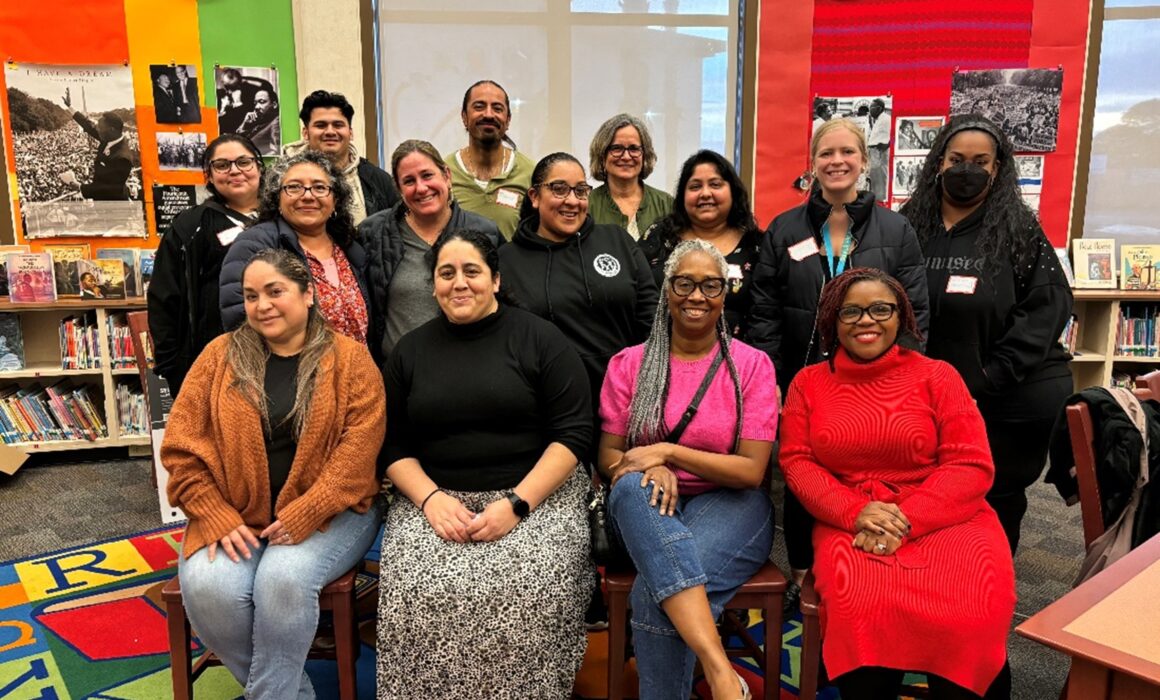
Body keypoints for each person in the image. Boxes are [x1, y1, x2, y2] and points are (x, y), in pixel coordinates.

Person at [779, 267, 1014, 700]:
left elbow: (971, 464)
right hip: (850, 517)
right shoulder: (807, 383)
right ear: (832, 319)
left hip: (947, 515)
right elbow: (797, 462)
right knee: (859, 605)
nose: (866, 320)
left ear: (901, 316)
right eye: (851, 311)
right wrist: (854, 513)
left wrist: (904, 520)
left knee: (975, 607)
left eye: (880, 309)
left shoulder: (939, 376)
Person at [377, 229, 593, 697]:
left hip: (537, 496)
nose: (459, 283)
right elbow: (392, 447)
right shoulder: (409, 352)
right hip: (432, 500)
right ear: (432, 284)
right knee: (417, 590)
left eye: (471, 271)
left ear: (495, 279)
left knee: (527, 588)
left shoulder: (541, 339)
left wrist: (517, 504)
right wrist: (431, 500)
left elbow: (573, 435)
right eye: (446, 273)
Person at [162, 249, 384, 700]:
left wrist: (309, 510)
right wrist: (214, 513)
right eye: (250, 295)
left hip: (335, 515)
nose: (261, 305)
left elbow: (359, 455)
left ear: (307, 295)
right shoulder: (217, 357)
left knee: (281, 582)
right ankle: (289, 694)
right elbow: (182, 450)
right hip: (236, 514)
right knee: (208, 589)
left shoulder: (351, 360)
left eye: (274, 291)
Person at [748, 117, 929, 612]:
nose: (837, 162)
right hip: (805, 382)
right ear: (813, 164)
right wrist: (773, 381)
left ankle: (875, 571)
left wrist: (903, 384)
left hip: (876, 383)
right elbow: (763, 311)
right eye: (826, 153)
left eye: (847, 152)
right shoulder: (784, 228)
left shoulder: (896, 228)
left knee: (866, 474)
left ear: (863, 161)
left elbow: (913, 312)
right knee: (806, 477)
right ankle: (806, 579)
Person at [599, 240, 777, 700]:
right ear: (667, 289)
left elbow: (751, 471)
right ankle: (721, 673)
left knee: (653, 594)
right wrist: (647, 465)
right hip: (645, 509)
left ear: (725, 293)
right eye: (684, 283)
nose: (696, 295)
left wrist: (668, 453)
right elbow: (611, 458)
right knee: (633, 488)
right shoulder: (630, 364)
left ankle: (712, 675)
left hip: (734, 504)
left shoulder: (752, 366)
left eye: (710, 285)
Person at [900, 114, 1073, 553]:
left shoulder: (1018, 230)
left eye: (981, 161)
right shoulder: (909, 226)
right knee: (927, 497)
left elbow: (1047, 309)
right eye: (957, 159)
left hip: (1007, 398)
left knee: (992, 503)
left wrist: (990, 377)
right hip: (931, 396)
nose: (967, 169)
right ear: (939, 162)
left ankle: (989, 596)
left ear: (997, 168)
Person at [500, 152, 658, 440]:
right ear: (534, 196)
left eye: (580, 190)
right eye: (559, 189)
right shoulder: (506, 261)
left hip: (626, 403)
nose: (572, 200)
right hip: (548, 415)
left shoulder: (617, 241)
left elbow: (651, 319)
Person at [220, 150, 373, 357]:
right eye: (294, 187)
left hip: (354, 376)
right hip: (288, 379)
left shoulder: (351, 248)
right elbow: (238, 317)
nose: (308, 195)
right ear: (277, 198)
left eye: (319, 187)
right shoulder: (254, 245)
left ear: (335, 200)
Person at [358, 139, 501, 358]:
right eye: (409, 181)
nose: (421, 188)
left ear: (446, 176)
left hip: (469, 364)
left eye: (427, 175)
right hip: (398, 375)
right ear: (398, 189)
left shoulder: (485, 232)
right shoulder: (373, 233)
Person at [149, 134, 264, 397]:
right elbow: (164, 299)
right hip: (213, 361)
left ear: (259, 166)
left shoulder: (283, 218)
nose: (235, 170)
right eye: (222, 165)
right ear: (209, 175)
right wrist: (172, 367)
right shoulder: (189, 227)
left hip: (279, 355)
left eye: (244, 162)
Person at [640, 150, 762, 340]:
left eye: (715, 184)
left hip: (739, 361)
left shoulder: (757, 245)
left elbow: (766, 312)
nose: (705, 193)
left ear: (733, 191)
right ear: (682, 195)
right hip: (662, 356)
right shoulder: (659, 236)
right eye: (695, 186)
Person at [284, 90, 400, 225]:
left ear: (350, 132)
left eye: (338, 125)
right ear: (305, 133)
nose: (330, 132)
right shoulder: (282, 177)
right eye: (320, 125)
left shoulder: (379, 181)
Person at [445, 80, 535, 240]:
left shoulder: (530, 173)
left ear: (508, 120)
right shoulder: (444, 173)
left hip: (510, 265)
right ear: (464, 117)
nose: (488, 114)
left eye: (497, 108)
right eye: (479, 107)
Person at [586, 113, 673, 239]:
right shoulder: (587, 205)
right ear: (602, 155)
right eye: (616, 148)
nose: (626, 157)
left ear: (645, 155)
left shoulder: (666, 204)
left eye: (634, 149)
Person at [61, 88, 134, 200]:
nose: (96, 129)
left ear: (111, 130)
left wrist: (79, 186)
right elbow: (88, 126)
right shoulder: (109, 138)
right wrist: (70, 107)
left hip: (112, 205)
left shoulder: (122, 158)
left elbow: (108, 189)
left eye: (99, 128)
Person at [238, 88, 280, 155]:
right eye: (255, 103)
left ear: (274, 105)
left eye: (262, 102)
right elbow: (236, 141)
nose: (256, 107)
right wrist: (244, 124)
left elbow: (276, 152)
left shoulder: (276, 122)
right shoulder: (262, 122)